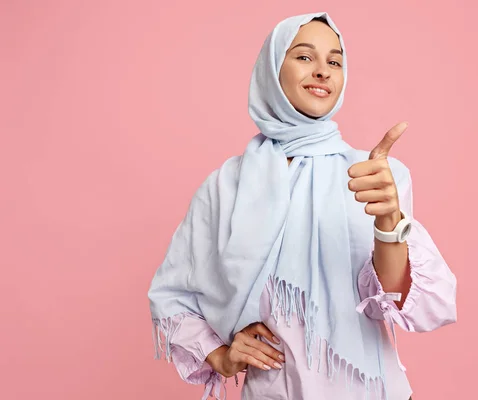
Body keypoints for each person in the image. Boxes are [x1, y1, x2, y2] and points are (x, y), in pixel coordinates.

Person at [148, 12, 457, 400]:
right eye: (305, 57)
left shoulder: (375, 174)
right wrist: (222, 356)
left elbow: (393, 303)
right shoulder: (225, 186)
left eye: (335, 61)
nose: (323, 72)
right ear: (273, 67)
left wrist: (389, 221)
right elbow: (172, 293)